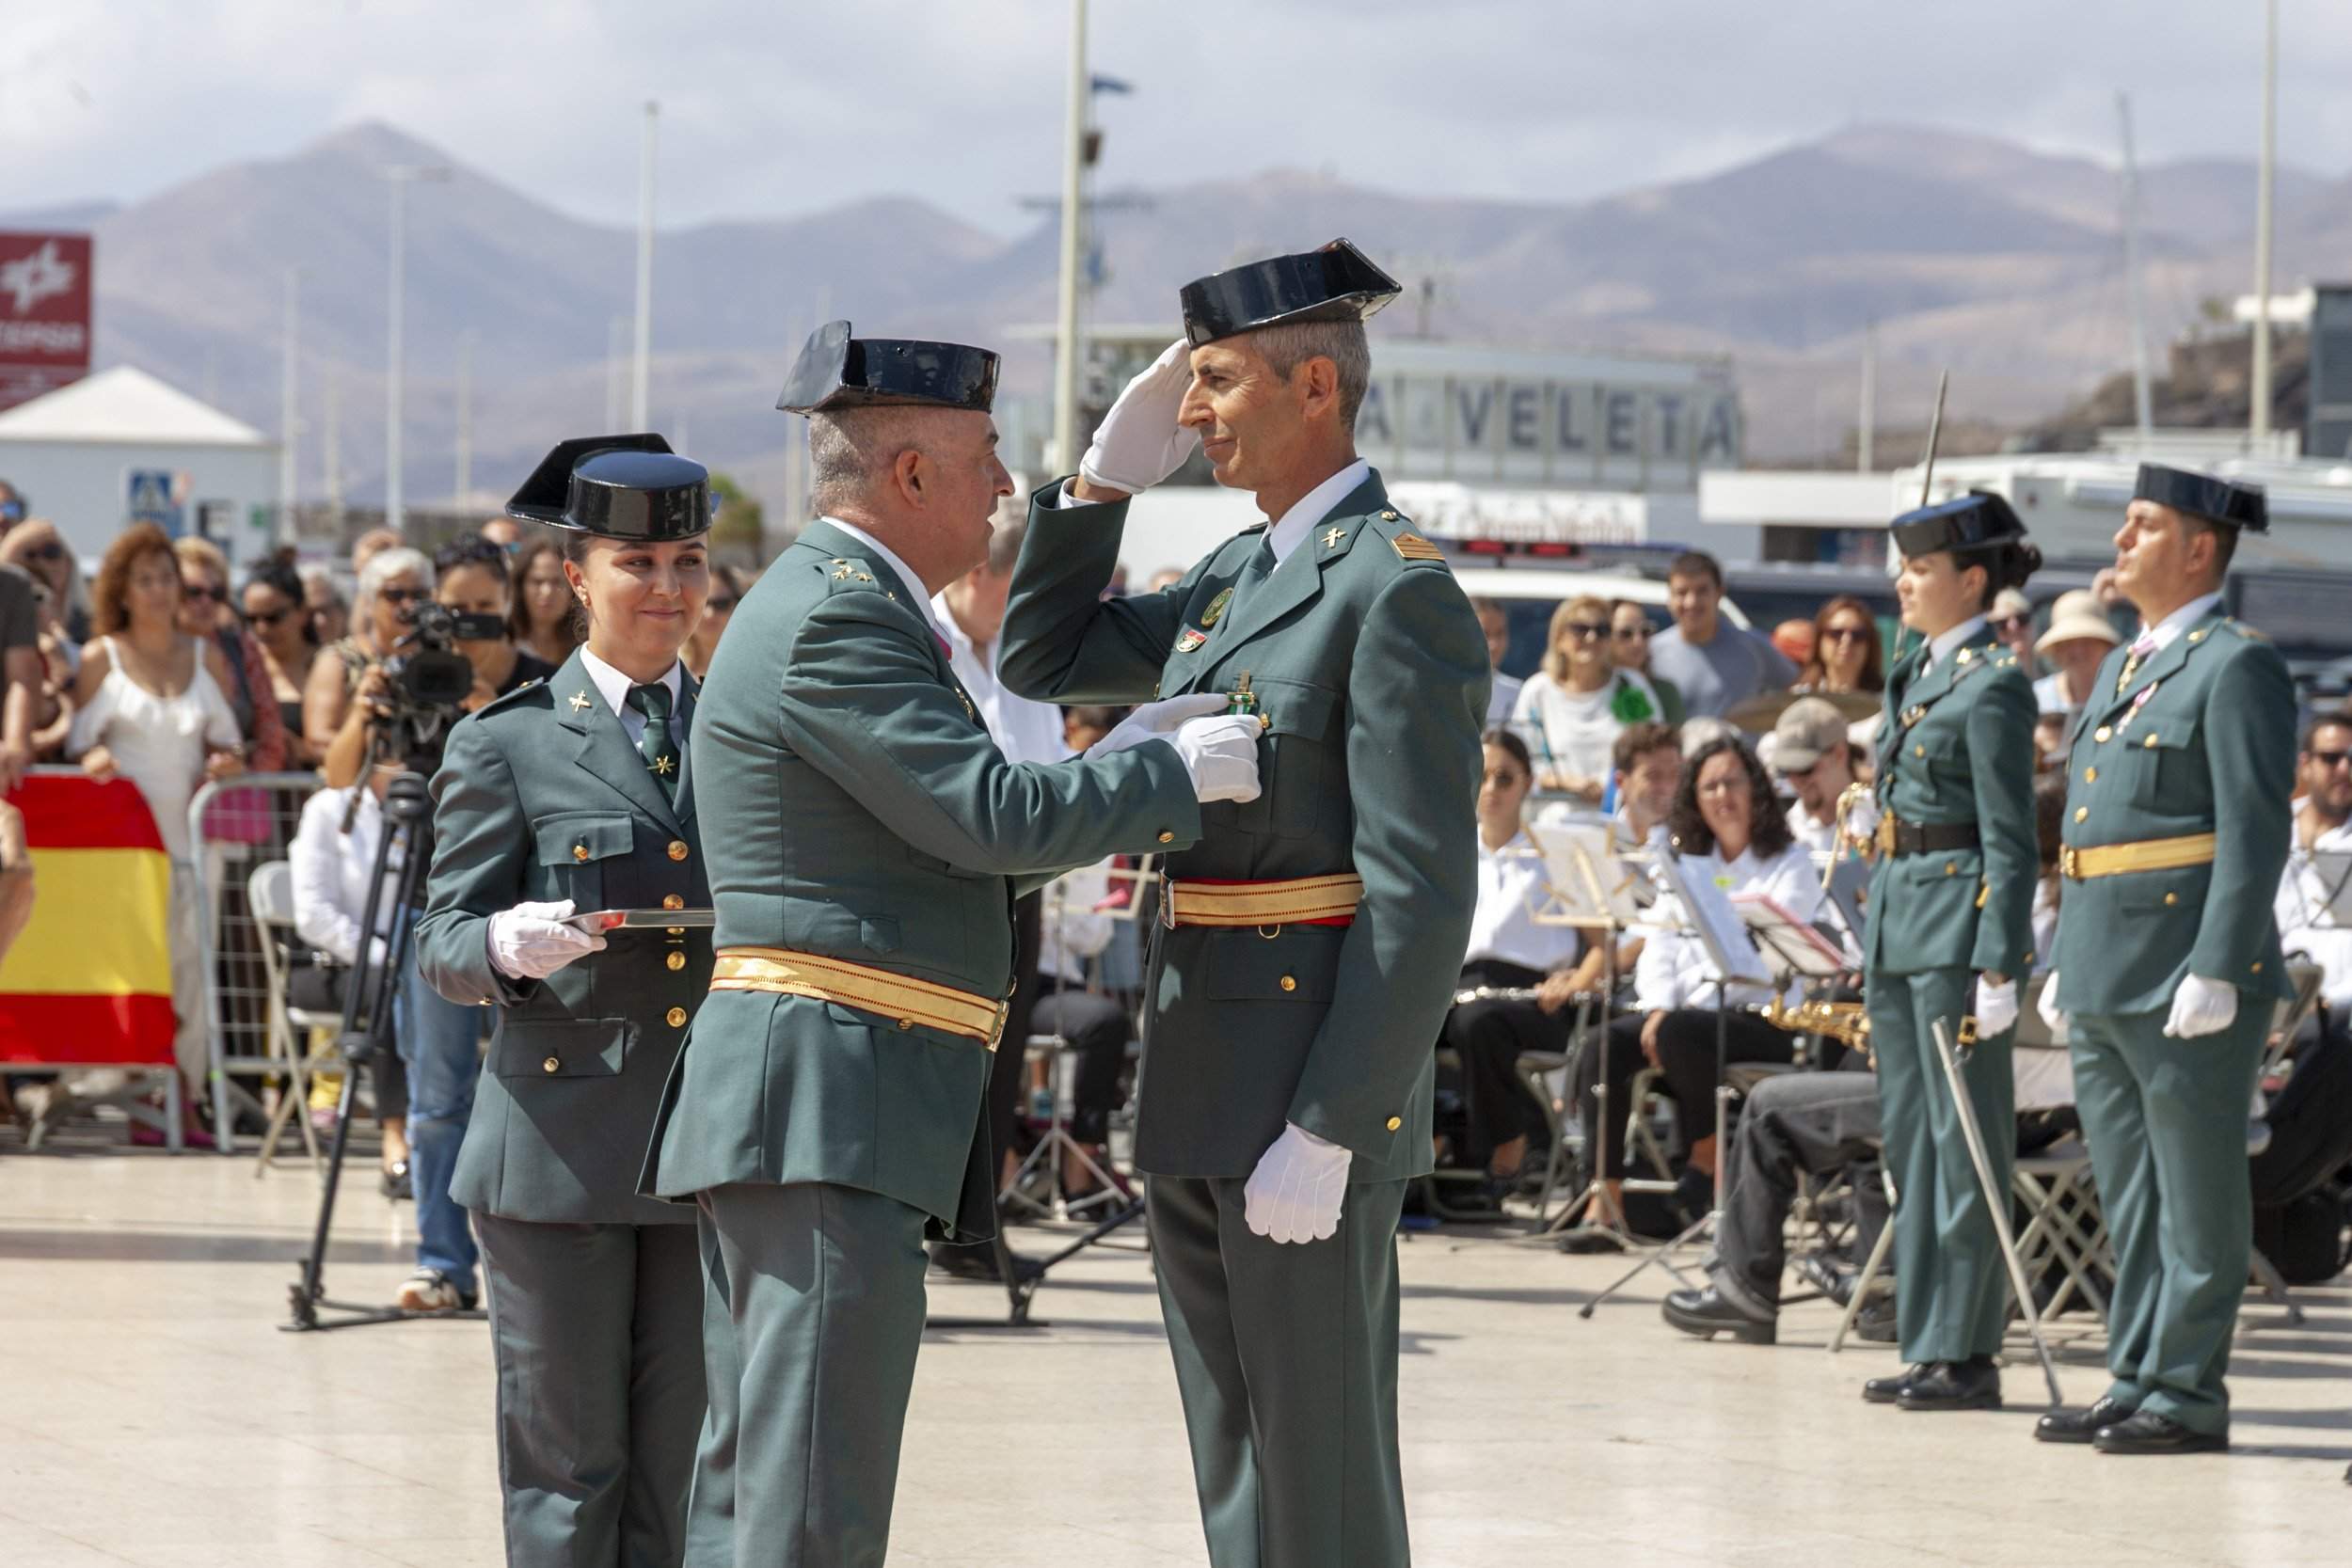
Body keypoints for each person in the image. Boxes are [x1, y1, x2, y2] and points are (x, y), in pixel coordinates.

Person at [643, 325, 1252, 1565]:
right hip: (826, 1095)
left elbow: (959, 845)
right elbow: (988, 817)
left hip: (827, 1096)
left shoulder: (853, 602)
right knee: (808, 1492)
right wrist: (1162, 772)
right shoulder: (838, 615)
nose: (1003, 485)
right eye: (985, 457)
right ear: (910, 473)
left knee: (766, 1479)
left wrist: (1125, 755)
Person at [999, 239, 1486, 1568]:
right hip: (1200, 1057)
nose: (1192, 409)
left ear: (1313, 385)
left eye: (1214, 380)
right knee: (1236, 1453)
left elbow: (1422, 892)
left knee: (1318, 1461)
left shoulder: (1393, 587)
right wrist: (1097, 485)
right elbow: (1040, 654)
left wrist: (1335, 1119)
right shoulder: (1235, 574)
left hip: (1301, 1074)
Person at [418, 436, 722, 1566]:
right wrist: (501, 943)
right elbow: (440, 938)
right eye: (637, 562)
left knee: (680, 1473)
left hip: (707, 1148)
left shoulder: (745, 732)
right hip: (556, 1154)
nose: (667, 586)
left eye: (687, 561)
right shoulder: (508, 741)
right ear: (577, 578)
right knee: (568, 1469)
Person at [2038, 464, 2295, 1456]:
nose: (2120, 540)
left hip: (2185, 965)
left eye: (2141, 524)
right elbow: (2094, 830)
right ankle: (2135, 1373)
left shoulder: (2235, 665)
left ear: (2196, 548)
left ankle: (2186, 1391)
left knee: (2196, 1196)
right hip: (2105, 963)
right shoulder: (2121, 667)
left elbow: (2253, 827)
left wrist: (2219, 963)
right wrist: (2067, 957)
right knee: (2130, 1195)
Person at [1856, 491, 2041, 1415]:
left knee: (1961, 1142)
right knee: (1912, 1143)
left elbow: (2011, 838)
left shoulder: (1992, 682)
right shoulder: (1918, 671)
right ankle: (1927, 1337)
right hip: (1898, 919)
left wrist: (2000, 962)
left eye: (1920, 568)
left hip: (1956, 931)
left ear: (1971, 581)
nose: (1903, 582)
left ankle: (1968, 1349)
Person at [60, 525, 245, 1143]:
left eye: (167, 577)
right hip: (122, 855)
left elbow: (229, 741)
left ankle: (184, 1095)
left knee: (192, 970)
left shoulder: (205, 655)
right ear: (122, 590)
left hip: (193, 846)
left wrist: (226, 762)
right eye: (145, 579)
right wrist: (88, 758)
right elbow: (75, 743)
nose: (160, 590)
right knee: (134, 970)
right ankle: (135, 1091)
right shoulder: (99, 657)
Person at [1586, 736, 1819, 1215]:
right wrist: (1659, 1006)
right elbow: (1660, 945)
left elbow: (1765, 963)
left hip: (1763, 1019)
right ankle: (1603, 1194)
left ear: (1756, 790)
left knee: (1680, 1032)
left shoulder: (1791, 863)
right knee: (1602, 1045)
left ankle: (1707, 1154)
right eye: (1709, 786)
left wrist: (1675, 1014)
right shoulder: (1687, 863)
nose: (1721, 795)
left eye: (1732, 783)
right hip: (1684, 1018)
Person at [934, 512, 1071, 1275]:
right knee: (945, 1062)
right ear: (982, 570)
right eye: (1020, 588)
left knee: (1004, 1060)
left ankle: (976, 1230)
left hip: (1023, 883)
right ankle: (933, 1222)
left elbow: (1049, 763)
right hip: (948, 886)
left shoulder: (1021, 656)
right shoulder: (921, 637)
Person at [1441, 729, 1581, 1186]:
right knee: (1404, 1026)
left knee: (1477, 1024)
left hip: (1535, 999)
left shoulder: (1553, 855)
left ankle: (1508, 1142)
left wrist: (1574, 980)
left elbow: (1602, 944)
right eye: (1481, 776)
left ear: (1528, 783)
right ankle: (1433, 1144)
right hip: (1459, 989)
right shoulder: (1454, 853)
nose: (1491, 789)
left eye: (1504, 778)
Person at [1510, 594, 1662, 806]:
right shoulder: (1537, 691)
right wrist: (1566, 783)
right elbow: (1518, 763)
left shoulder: (1631, 686)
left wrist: (1613, 788)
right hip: (1552, 818)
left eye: (1602, 630)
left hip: (1622, 816)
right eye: (1580, 629)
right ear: (1559, 638)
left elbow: (1656, 751)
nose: (1591, 638)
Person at [174, 537, 287, 773]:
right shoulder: (145, 649)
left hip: (228, 792)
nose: (206, 602)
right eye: (194, 592)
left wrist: (243, 775)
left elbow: (271, 736)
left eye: (217, 593)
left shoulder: (241, 648)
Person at [1648, 550, 1798, 719]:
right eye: (1682, 592)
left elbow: (1799, 689)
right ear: (1670, 597)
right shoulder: (1650, 653)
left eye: (1702, 591)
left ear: (1719, 593)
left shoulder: (1752, 646)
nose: (1691, 602)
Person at [2277, 715, 2352, 1015]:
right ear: (2305, 765)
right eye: (2331, 758)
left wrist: (2331, 1004)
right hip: (2273, 1010)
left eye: (2351, 759)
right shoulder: (2268, 832)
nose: (2344, 769)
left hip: (2340, 1014)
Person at [430, 531, 558, 707]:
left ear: (508, 597)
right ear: (436, 601)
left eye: (485, 605)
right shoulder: (416, 678)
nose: (473, 618)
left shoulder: (548, 684)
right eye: (458, 608)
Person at [241, 562, 323, 767]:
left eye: (273, 618)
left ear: (302, 613)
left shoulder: (329, 666)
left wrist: (300, 749)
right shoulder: (242, 666)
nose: (262, 628)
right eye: (252, 619)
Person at [1774, 697, 1861, 856]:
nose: (1795, 781)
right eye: (1786, 770)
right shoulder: (1782, 833)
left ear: (1839, 754)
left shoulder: (1878, 821)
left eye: (1805, 768)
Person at [2031, 588, 2120, 718]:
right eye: (2068, 642)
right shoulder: (2038, 699)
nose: (2078, 651)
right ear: (2056, 650)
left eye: (2088, 640)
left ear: (2106, 646)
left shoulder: (2120, 695)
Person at [510, 534, 584, 669]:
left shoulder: (585, 650)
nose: (547, 592)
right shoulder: (505, 644)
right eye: (537, 581)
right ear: (521, 585)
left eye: (557, 582)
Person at [1611, 600, 1685, 727]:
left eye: (1645, 632)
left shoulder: (1666, 692)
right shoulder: (1595, 689)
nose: (1638, 641)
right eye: (1626, 633)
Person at [1798, 594, 1885, 696]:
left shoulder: (1887, 700)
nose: (1846, 640)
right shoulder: (1801, 697)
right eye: (1836, 633)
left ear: (1870, 645)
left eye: (1858, 635)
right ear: (1819, 640)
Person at [680, 562, 750, 679]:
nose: (710, 614)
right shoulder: (666, 670)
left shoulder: (755, 669)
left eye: (721, 604)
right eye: (701, 604)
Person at [1470, 595, 1522, 727]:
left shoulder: (1518, 694)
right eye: (1485, 634)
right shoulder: (1444, 690)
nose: (1494, 644)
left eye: (1500, 633)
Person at [299, 562, 350, 649]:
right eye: (311, 613)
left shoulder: (364, 653)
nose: (320, 622)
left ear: (343, 611)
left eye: (326, 611)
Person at [1989, 586, 2037, 667]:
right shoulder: (1984, 673)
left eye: (2022, 619)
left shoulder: (2054, 668)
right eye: (2002, 623)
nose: (2013, 627)